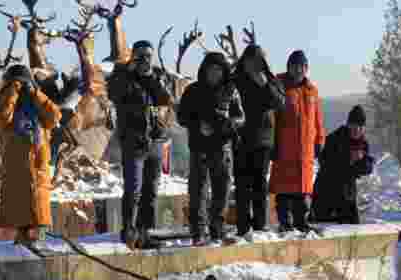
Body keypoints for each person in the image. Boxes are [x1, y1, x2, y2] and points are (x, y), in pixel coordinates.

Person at [106, 40, 173, 250]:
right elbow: (114, 95)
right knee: (132, 189)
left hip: (155, 139)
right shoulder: (120, 74)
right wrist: (129, 72)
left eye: (148, 55)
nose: (145, 59)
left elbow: (164, 99)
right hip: (133, 140)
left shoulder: (156, 75)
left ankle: (145, 233)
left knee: (150, 191)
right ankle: (128, 232)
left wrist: (150, 77)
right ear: (132, 55)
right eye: (141, 55)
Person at [0, 64, 62, 246]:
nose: (21, 86)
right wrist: (13, 89)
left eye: (23, 82)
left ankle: (40, 247)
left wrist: (35, 93)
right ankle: (23, 248)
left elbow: (54, 116)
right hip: (17, 173)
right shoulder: (2, 104)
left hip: (38, 172)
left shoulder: (38, 105)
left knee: (41, 220)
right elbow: (1, 116)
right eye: (16, 82)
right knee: (22, 223)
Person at [177, 51, 244, 245]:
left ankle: (218, 230)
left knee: (221, 190)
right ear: (204, 70)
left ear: (224, 72)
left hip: (222, 148)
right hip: (199, 147)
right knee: (198, 191)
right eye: (211, 69)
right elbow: (181, 116)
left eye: (218, 70)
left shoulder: (231, 91)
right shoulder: (192, 90)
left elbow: (241, 118)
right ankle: (198, 232)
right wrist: (197, 124)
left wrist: (228, 122)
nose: (215, 74)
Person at [231, 44, 285, 236]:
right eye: (250, 60)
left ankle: (260, 225)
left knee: (260, 184)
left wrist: (264, 85)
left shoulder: (269, 79)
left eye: (257, 60)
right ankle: (243, 226)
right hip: (240, 138)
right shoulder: (235, 79)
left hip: (262, 139)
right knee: (242, 184)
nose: (253, 65)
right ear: (244, 61)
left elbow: (280, 103)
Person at [269, 50, 325, 234]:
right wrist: (272, 143)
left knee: (303, 189)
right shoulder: (279, 86)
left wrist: (320, 140)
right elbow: (272, 118)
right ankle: (285, 223)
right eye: (295, 66)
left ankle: (302, 222)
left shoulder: (312, 90)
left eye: (302, 66)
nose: (299, 70)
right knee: (284, 189)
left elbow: (318, 119)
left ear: (306, 68)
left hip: (306, 149)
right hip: (285, 147)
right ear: (289, 67)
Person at [311, 105, 374, 226]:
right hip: (326, 191)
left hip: (348, 193)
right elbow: (325, 163)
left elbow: (367, 168)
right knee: (324, 228)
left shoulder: (363, 143)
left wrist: (361, 162)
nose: (357, 130)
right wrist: (349, 159)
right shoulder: (334, 139)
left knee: (353, 228)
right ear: (348, 125)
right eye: (354, 126)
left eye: (360, 127)